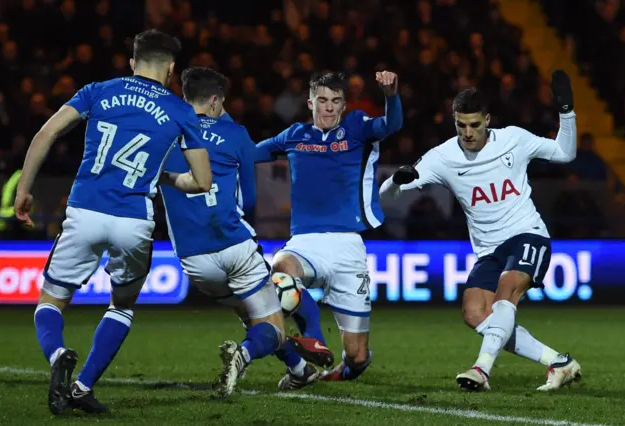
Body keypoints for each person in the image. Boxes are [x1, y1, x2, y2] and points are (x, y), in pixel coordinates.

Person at [15, 29, 213, 414]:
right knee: (122, 304)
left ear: (132, 63)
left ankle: (57, 356)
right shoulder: (181, 111)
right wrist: (166, 177)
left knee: (52, 301)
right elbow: (202, 182)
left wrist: (25, 188)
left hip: (85, 210)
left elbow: (47, 133)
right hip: (133, 220)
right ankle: (83, 386)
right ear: (172, 69)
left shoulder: (98, 90)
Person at [380, 71, 582, 392]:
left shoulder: (514, 138)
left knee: (506, 295)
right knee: (475, 313)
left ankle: (481, 370)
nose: (469, 133)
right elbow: (386, 198)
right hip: (489, 249)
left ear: (487, 119)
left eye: (475, 124)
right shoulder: (443, 157)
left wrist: (566, 111)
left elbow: (564, 153)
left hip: (528, 234)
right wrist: (395, 182)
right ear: (454, 121)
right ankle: (559, 362)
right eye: (461, 125)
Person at [159, 67, 321, 395]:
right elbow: (247, 200)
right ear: (217, 100)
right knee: (272, 328)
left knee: (250, 317)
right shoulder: (236, 135)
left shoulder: (163, 134)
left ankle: (300, 370)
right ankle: (243, 354)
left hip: (193, 258)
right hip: (234, 244)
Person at [256, 71, 403, 382]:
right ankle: (313, 337)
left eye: (336, 101)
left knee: (358, 356)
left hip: (348, 247)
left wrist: (390, 96)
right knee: (280, 272)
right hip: (305, 242)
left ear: (343, 105)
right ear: (310, 103)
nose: (329, 108)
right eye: (322, 100)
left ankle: (335, 373)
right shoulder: (294, 135)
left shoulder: (357, 128)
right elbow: (251, 153)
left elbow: (392, 125)